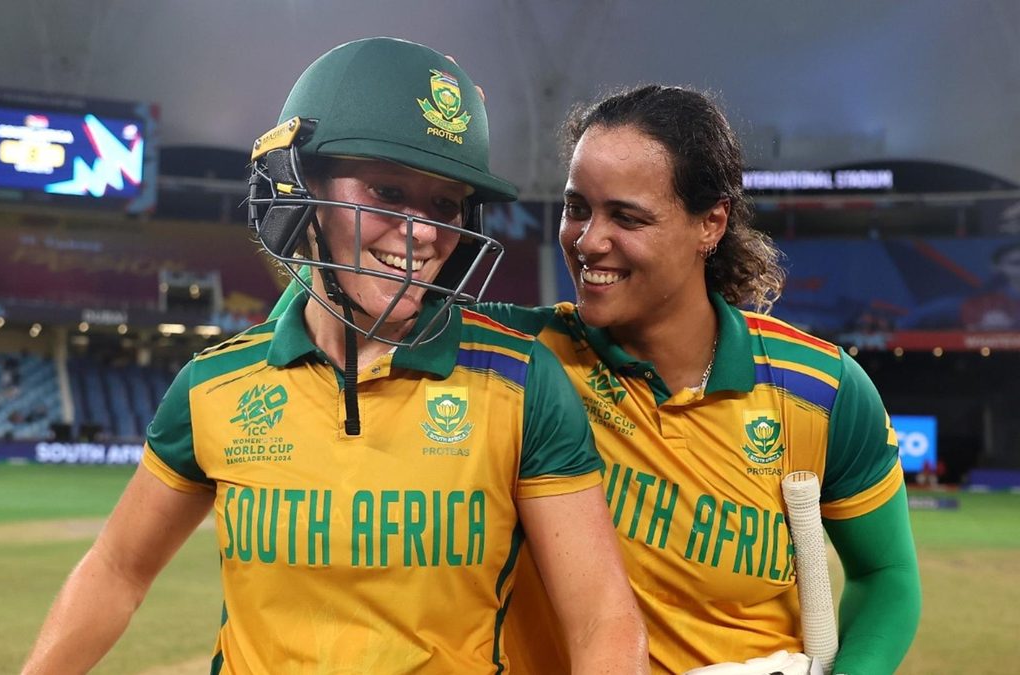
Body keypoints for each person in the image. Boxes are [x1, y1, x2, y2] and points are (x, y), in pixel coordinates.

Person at [22, 37, 648, 675]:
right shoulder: (213, 384)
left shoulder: (522, 382)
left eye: (442, 203)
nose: (425, 234)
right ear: (300, 190)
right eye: (387, 191)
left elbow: (603, 619)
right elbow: (117, 570)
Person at [272, 84, 922, 674]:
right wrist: (349, 195)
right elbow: (338, 310)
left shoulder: (821, 388)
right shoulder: (518, 353)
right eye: (577, 208)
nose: (587, 240)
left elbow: (887, 575)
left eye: (627, 218)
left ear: (711, 224)